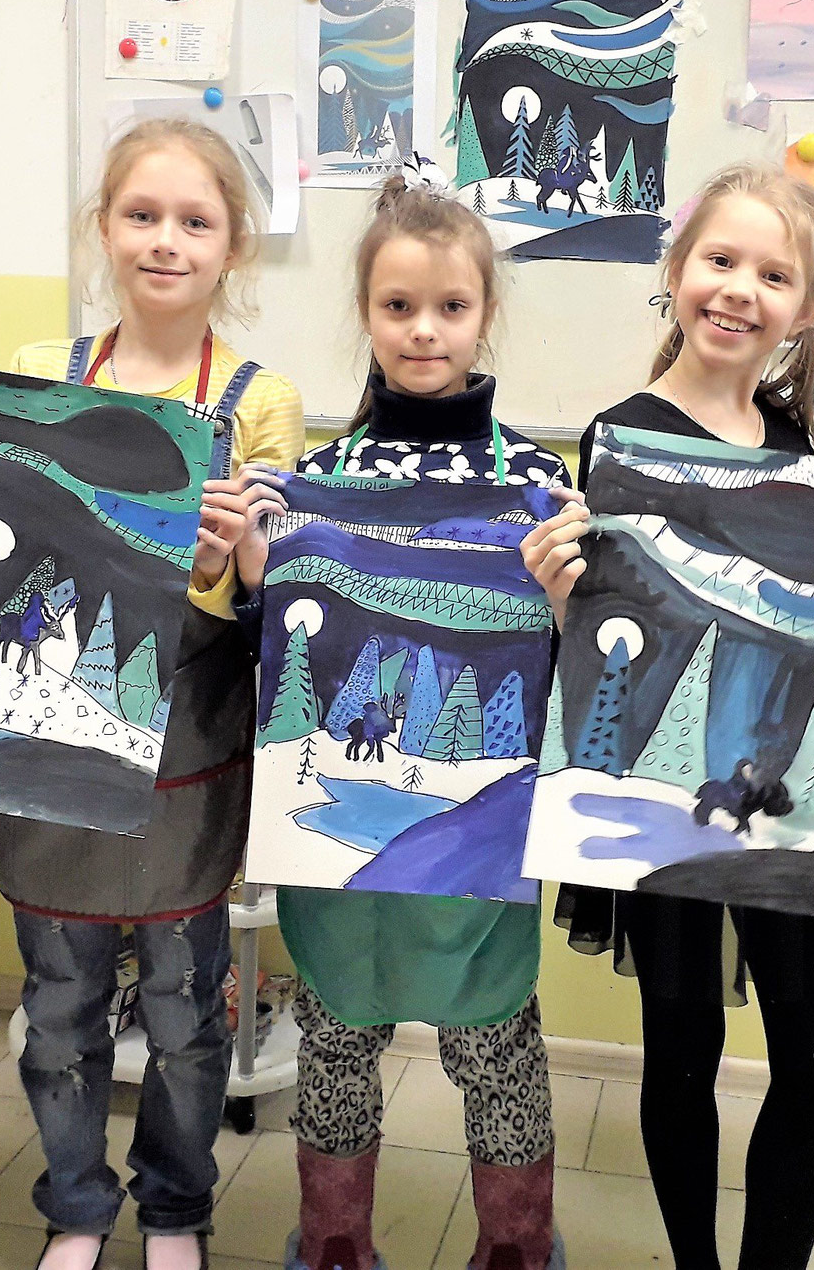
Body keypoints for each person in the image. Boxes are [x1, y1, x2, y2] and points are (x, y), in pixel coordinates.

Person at [0, 117, 303, 1270]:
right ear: (101, 228)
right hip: (50, 751)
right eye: (140, 215)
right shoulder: (39, 373)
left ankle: (175, 1211)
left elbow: (261, 600)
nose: (165, 240)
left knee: (185, 1006)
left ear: (232, 245)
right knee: (59, 1002)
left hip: (185, 755)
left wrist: (226, 553)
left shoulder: (261, 402)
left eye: (194, 221)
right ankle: (74, 1206)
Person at [520, 163, 814, 1270]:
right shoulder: (622, 433)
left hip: (785, 801)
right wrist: (559, 593)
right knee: (681, 1054)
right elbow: (605, 624)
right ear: (677, 270)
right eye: (720, 260)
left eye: (773, 275)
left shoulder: (790, 430)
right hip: (671, 792)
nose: (739, 289)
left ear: (808, 308)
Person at [220, 163, 570, 1270]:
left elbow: (567, 667)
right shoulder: (314, 482)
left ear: (484, 313)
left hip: (484, 862)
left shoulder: (539, 487)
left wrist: (571, 595)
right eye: (399, 305)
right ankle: (334, 1243)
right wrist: (255, 575)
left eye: (450, 306)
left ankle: (514, 1247)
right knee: (335, 1046)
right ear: (366, 314)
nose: (425, 330)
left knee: (498, 1053)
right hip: (338, 878)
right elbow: (270, 652)